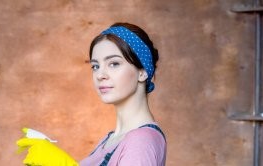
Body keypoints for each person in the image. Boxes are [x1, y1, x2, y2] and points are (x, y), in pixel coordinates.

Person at [17, 22, 166, 166]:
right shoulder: (109, 140)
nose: (100, 74)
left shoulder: (140, 141)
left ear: (143, 72)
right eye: (95, 66)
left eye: (114, 63)